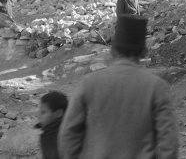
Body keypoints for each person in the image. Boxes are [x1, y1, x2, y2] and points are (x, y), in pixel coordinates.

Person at [58, 14, 179, 159]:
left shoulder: (89, 84)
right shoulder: (156, 87)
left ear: (112, 50)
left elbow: (68, 135)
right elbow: (169, 143)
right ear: (143, 52)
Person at [36, 91, 68, 159]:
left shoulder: (59, 136)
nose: (38, 115)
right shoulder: (48, 132)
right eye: (40, 111)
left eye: (43, 112)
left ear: (58, 113)